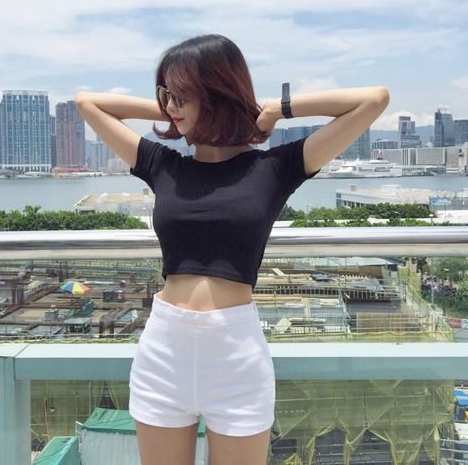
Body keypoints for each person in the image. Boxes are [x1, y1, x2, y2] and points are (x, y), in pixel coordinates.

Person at [75, 34, 389, 465]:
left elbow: (374, 99)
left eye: (182, 94)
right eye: (166, 94)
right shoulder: (162, 165)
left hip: (236, 359)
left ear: (217, 94)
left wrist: (275, 109)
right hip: (163, 352)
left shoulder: (275, 168)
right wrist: (173, 109)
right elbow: (88, 103)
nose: (171, 105)